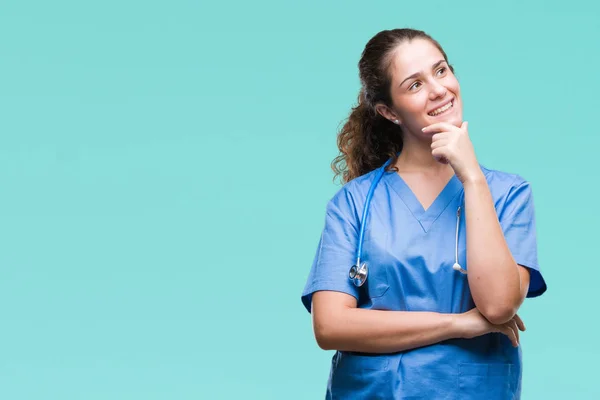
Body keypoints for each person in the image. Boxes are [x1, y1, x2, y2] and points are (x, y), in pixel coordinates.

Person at [300, 28, 547, 399]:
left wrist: (473, 178)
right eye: (414, 85)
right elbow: (330, 326)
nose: (438, 90)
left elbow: (497, 305)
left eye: (442, 71)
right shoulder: (354, 203)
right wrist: (457, 324)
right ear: (387, 111)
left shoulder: (507, 193)